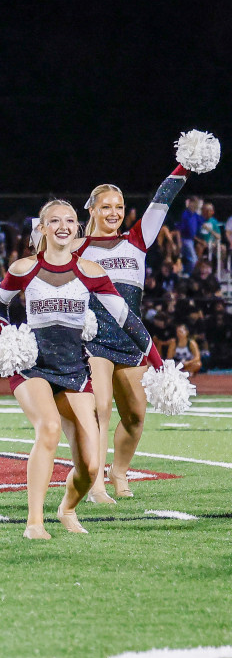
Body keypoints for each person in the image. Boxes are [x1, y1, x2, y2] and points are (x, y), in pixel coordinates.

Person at [0, 199, 163, 540]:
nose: (63, 226)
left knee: (90, 465)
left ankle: (67, 508)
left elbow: (125, 319)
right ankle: (34, 522)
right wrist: (7, 341)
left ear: (77, 227)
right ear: (42, 228)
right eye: (54, 221)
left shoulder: (91, 271)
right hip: (32, 367)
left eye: (69, 220)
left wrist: (158, 363)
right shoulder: (24, 269)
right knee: (50, 427)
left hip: (73, 368)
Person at [75, 166, 197, 501]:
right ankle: (96, 482)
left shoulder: (137, 239)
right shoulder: (77, 248)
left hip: (131, 340)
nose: (113, 213)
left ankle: (119, 472)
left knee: (135, 416)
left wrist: (186, 165)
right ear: (92, 209)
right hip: (94, 340)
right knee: (100, 408)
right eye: (106, 207)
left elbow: (164, 199)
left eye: (118, 207)